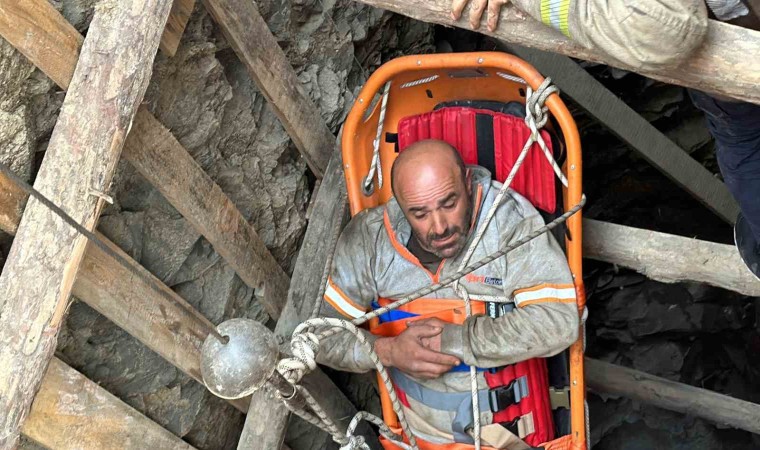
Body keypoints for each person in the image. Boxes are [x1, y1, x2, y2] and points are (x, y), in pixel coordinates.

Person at [451, 0, 760, 278]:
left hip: (734, 51)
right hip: (735, 35)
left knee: (745, 141)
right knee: (742, 137)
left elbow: (662, 28)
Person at [316, 139, 579, 446]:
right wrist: (388, 351)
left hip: (511, 437)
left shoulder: (508, 221)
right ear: (400, 206)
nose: (440, 227)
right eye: (420, 214)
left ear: (467, 182)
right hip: (418, 439)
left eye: (449, 204)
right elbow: (318, 337)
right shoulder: (370, 242)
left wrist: (457, 340)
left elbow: (558, 322)